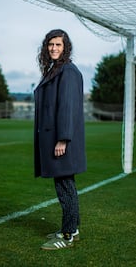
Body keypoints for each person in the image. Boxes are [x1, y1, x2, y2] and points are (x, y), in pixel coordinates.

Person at [33, 29, 87, 250]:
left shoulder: (68, 71)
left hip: (61, 140)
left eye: (58, 45)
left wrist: (63, 139)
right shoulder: (55, 70)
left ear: (66, 48)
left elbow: (67, 107)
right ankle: (71, 228)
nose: (54, 48)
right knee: (63, 185)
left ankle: (68, 235)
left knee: (66, 186)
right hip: (54, 138)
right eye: (50, 44)